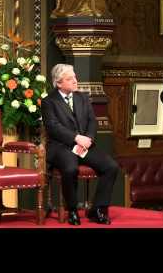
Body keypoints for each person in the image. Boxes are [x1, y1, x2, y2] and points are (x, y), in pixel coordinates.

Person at [41, 64, 119, 225]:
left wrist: (88, 138)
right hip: (61, 146)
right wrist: (76, 138)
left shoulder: (82, 97)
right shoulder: (49, 102)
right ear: (59, 83)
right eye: (70, 79)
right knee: (70, 169)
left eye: (75, 76)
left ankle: (98, 209)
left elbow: (92, 121)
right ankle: (73, 210)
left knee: (111, 166)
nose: (75, 81)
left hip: (85, 145)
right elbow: (54, 128)